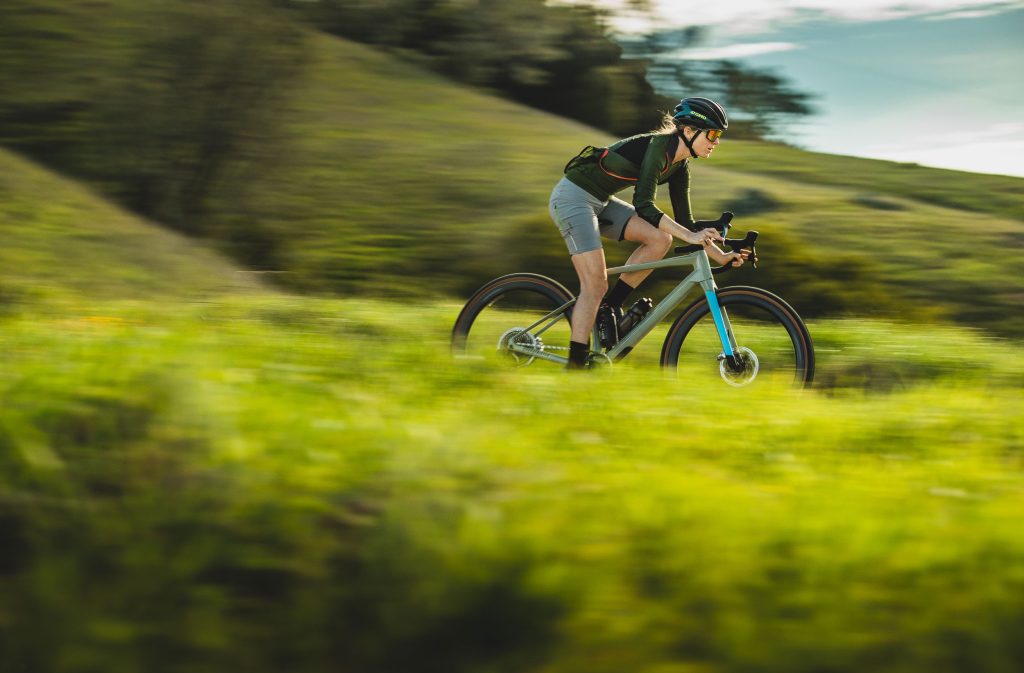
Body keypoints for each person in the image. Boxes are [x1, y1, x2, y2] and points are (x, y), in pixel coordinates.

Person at [548, 96, 751, 369]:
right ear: (689, 131)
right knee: (595, 285)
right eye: (712, 134)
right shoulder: (659, 147)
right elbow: (644, 205)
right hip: (572, 198)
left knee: (660, 238)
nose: (716, 142)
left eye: (719, 136)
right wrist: (690, 236)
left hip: (602, 201)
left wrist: (722, 256)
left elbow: (687, 224)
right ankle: (575, 366)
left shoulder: (681, 167)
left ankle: (610, 306)